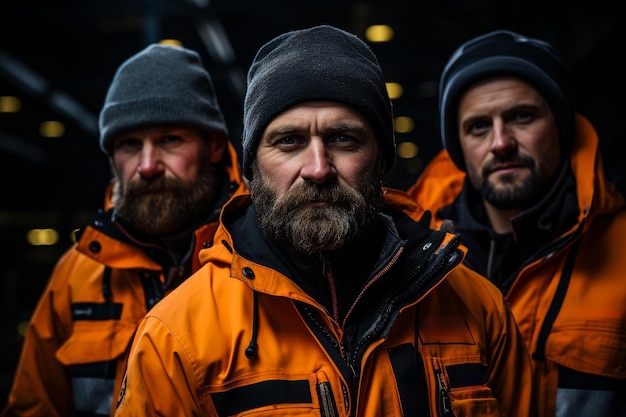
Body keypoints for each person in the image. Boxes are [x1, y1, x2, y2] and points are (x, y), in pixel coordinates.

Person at [113, 25, 533, 417]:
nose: (317, 168)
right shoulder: (175, 338)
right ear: (252, 168)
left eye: (342, 138)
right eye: (289, 141)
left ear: (380, 160)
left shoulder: (477, 307)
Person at [2, 43, 246, 417]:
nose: (147, 165)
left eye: (169, 140)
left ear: (214, 146)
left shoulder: (261, 262)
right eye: (131, 144)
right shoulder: (76, 276)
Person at [408, 30, 626, 417]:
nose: (501, 142)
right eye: (478, 126)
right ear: (458, 148)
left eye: (521, 117)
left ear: (561, 126)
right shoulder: (413, 263)